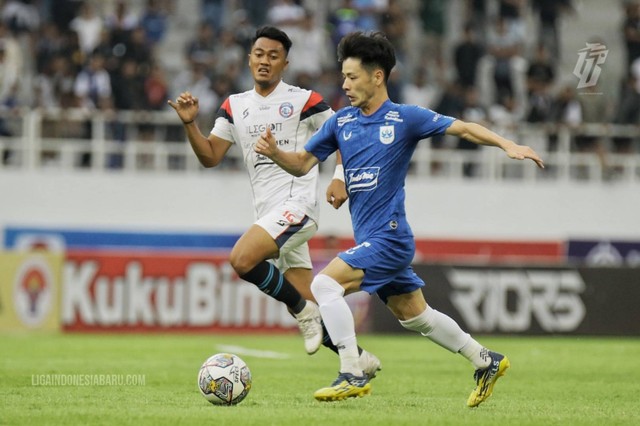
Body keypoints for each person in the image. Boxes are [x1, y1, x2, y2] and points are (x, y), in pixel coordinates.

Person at [254, 31, 544, 406]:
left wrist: (508, 145)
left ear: (378, 76)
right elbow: (301, 164)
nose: (345, 84)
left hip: (390, 237)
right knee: (415, 315)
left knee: (325, 287)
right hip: (372, 240)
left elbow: (464, 127)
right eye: (343, 76)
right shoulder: (341, 123)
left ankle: (351, 372)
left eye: (352, 77)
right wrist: (275, 152)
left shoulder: (405, 118)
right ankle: (485, 359)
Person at [168, 26, 381, 375]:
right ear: (249, 59)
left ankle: (303, 314)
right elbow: (210, 157)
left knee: (242, 259)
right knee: (305, 296)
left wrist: (340, 177)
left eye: (273, 56)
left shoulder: (305, 100)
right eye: (259, 54)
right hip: (269, 213)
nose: (265, 61)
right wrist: (191, 125)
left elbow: (346, 133)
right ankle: (357, 357)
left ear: (285, 63)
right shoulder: (234, 107)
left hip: (297, 206)